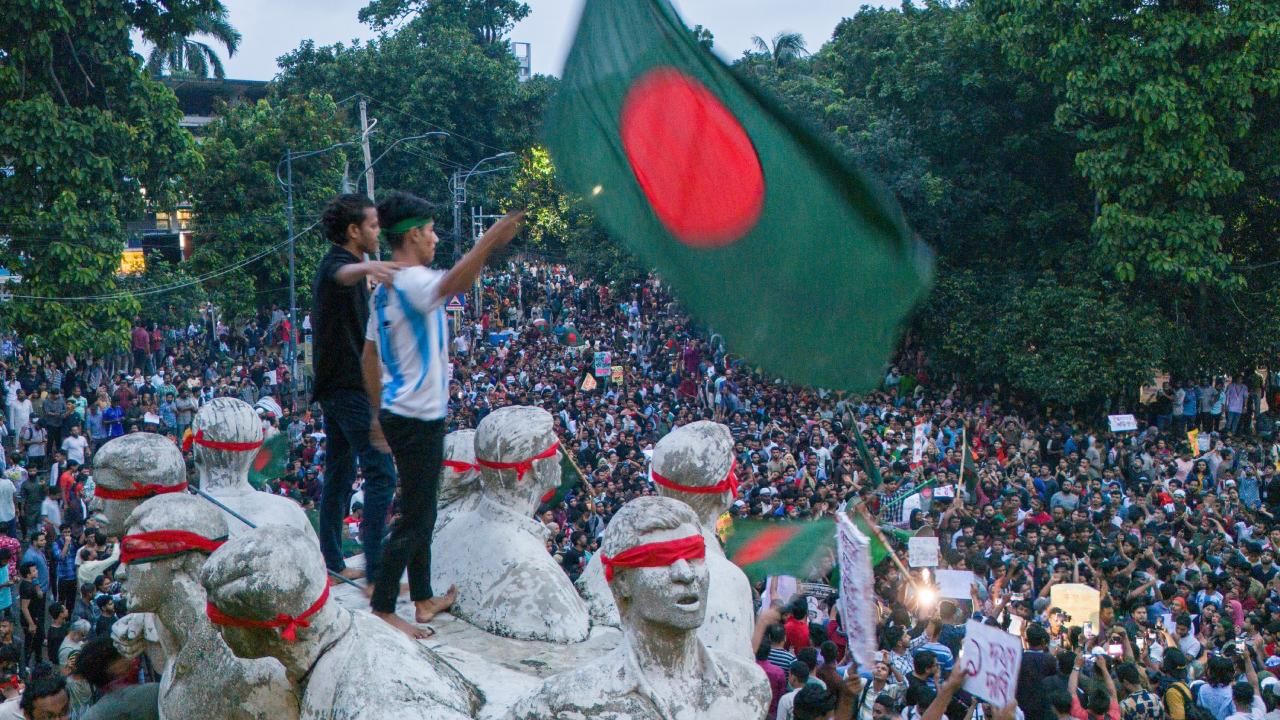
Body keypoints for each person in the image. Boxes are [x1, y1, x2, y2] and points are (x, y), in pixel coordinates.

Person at [361, 191, 522, 636]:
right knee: (416, 515)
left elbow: (369, 355)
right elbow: (454, 284)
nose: (435, 239)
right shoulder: (411, 281)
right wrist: (489, 241)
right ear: (412, 235)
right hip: (418, 417)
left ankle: (424, 596)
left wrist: (378, 412)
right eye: (430, 232)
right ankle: (384, 607)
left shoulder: (384, 289)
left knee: (422, 506)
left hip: (399, 412)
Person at [311, 193, 402, 586]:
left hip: (340, 385)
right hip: (347, 388)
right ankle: (377, 570)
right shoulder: (338, 263)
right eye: (373, 225)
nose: (378, 231)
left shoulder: (353, 265)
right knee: (381, 472)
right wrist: (377, 267)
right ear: (353, 231)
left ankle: (332, 559)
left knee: (340, 471)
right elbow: (342, 276)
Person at [75, 635, 158, 720]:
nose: (133, 659)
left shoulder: (91, 715)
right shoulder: (154, 693)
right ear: (115, 667)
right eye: (123, 654)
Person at [17, 562, 43, 669]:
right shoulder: (27, 588)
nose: (36, 571)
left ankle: (38, 661)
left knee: (37, 641)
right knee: (30, 643)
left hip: (35, 617)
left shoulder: (30, 584)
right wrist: (31, 624)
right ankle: (25, 666)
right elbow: (24, 607)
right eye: (34, 570)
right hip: (31, 620)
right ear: (28, 574)